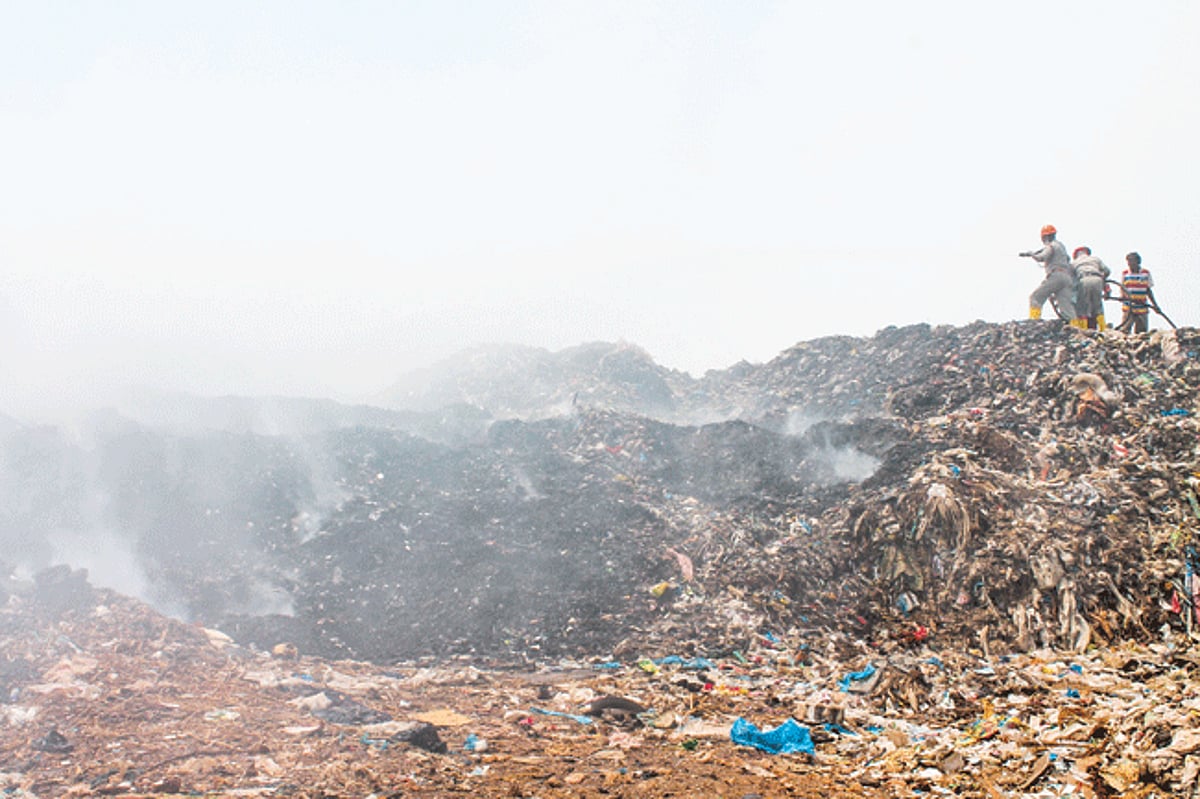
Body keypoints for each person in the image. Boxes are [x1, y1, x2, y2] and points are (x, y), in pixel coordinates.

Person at [1020, 224, 1079, 325]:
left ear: (1045, 237)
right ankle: (1077, 329)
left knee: (1035, 297)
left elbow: (1042, 257)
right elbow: (1068, 260)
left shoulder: (1051, 246)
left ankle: (1034, 323)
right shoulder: (1061, 247)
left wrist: (1032, 255)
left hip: (1056, 276)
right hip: (1067, 278)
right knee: (1067, 308)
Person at [1070, 246, 1110, 330]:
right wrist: (1104, 284)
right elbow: (1107, 271)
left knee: (1083, 307)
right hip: (1097, 279)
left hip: (1084, 280)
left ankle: (1083, 329)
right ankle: (1103, 329)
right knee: (1098, 306)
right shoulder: (1095, 259)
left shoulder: (1074, 263)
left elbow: (1071, 281)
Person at [1119, 251, 1155, 333]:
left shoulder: (1145, 273)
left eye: (1132, 261)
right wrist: (1123, 296)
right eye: (1128, 262)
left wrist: (1155, 305)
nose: (1129, 264)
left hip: (1142, 307)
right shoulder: (1125, 273)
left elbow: (1148, 290)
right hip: (1128, 307)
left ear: (1138, 262)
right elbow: (1122, 287)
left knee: (1142, 332)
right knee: (1125, 329)